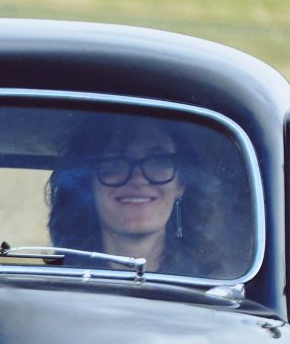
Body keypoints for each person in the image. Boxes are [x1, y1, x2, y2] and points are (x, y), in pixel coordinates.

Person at [45, 114, 226, 277]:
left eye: (157, 161)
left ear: (181, 184)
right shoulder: (57, 289)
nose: (138, 178)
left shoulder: (212, 290)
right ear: (88, 184)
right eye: (114, 161)